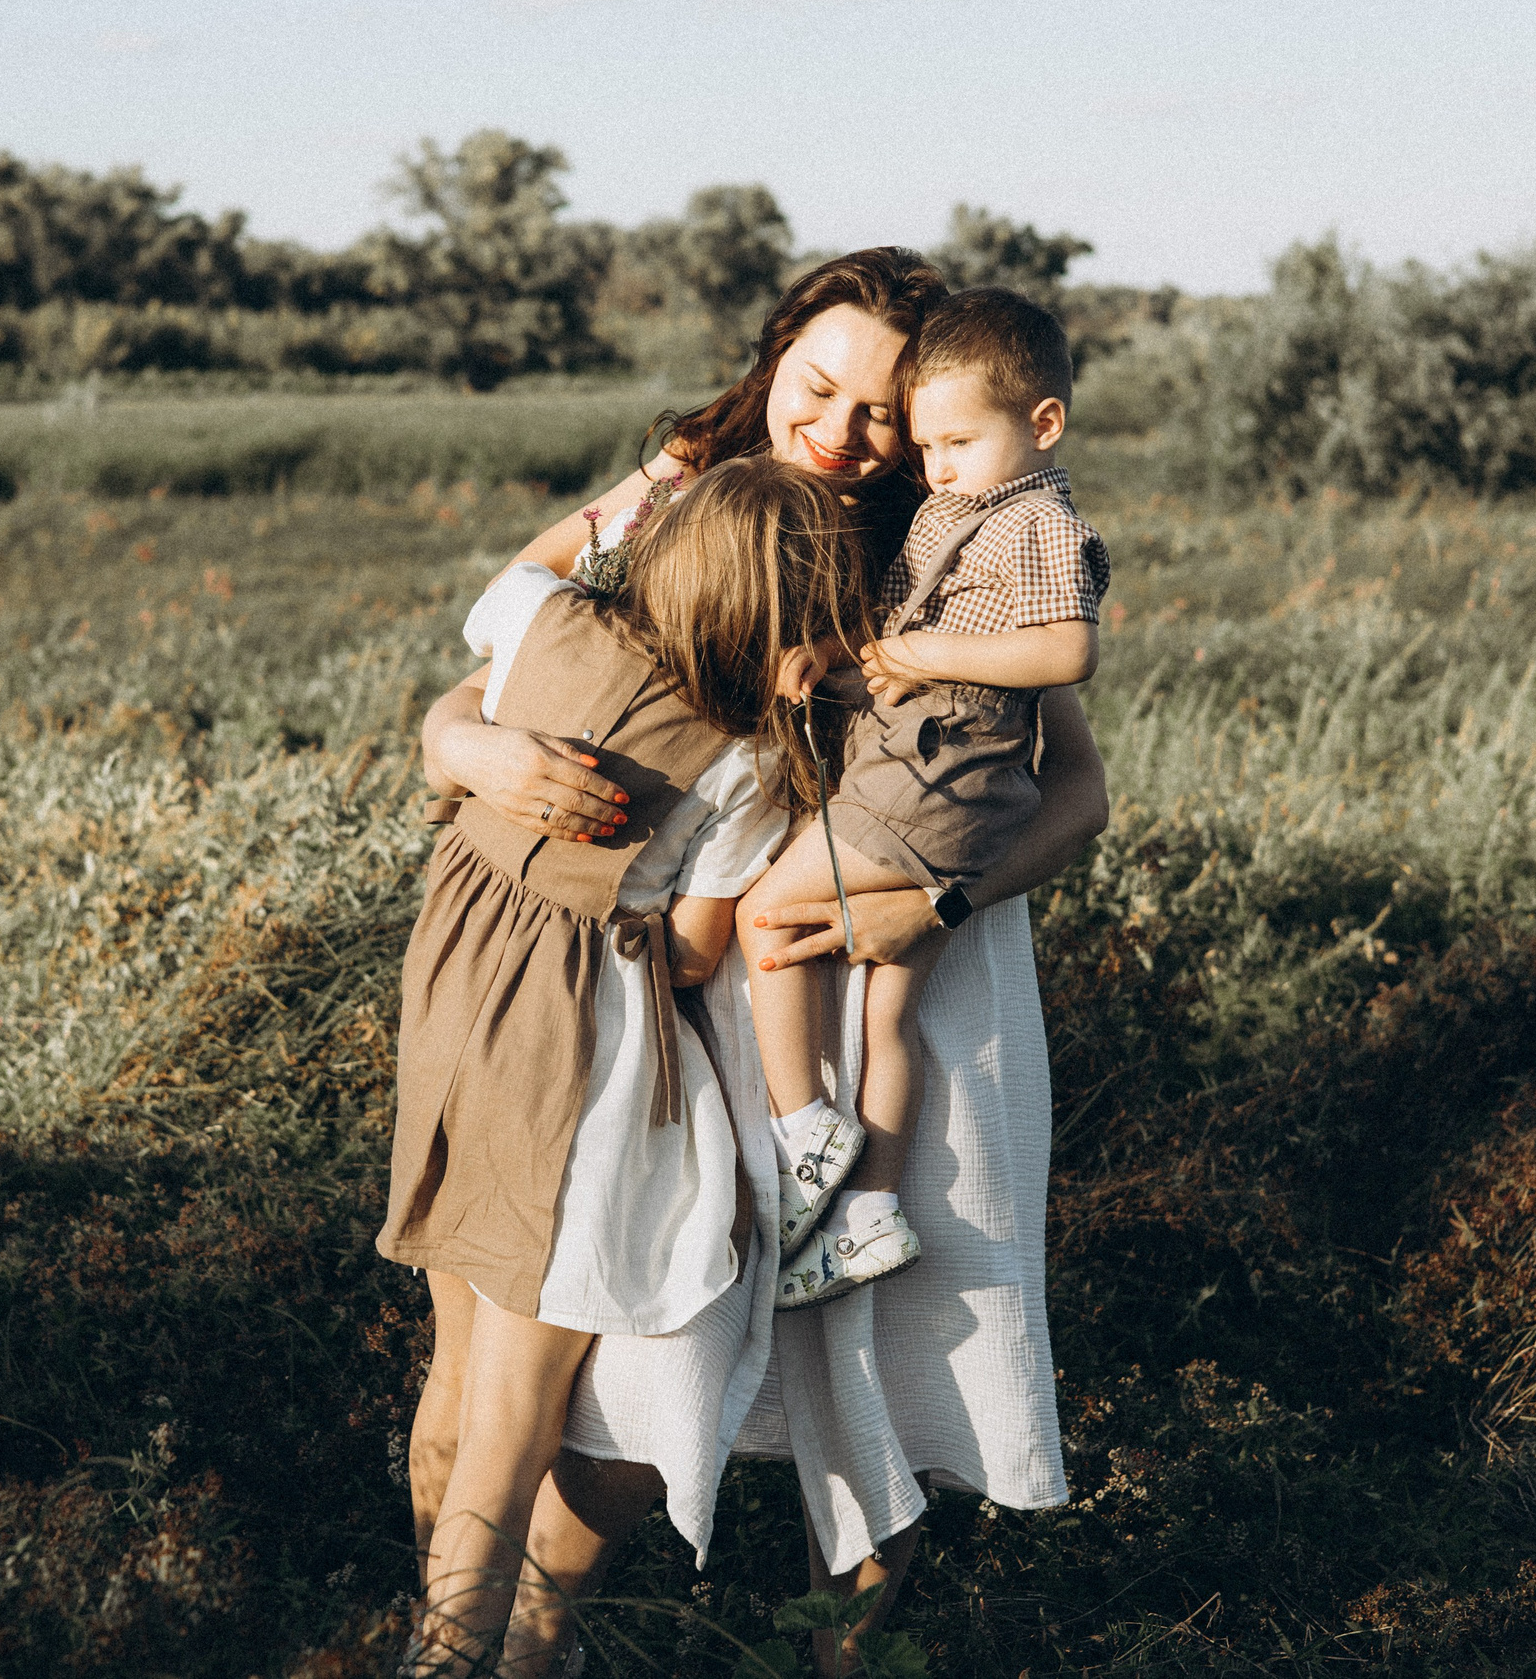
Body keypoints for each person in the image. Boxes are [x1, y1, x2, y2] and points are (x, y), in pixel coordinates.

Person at [416, 249, 1109, 1679]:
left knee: (884, 1364)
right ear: (775, 356)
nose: (845, 431)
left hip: (909, 946)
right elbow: (504, 635)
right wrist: (468, 749)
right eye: (819, 385)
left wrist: (945, 901)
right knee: (629, 1368)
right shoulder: (680, 488)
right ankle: (526, 1638)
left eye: (882, 408)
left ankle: (839, 1656)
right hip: (685, 982)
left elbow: (1079, 792)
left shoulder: (960, 521)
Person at [379, 456, 868, 1674]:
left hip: (451, 1017)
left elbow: (503, 600)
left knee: (456, 1370)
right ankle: (456, 1664)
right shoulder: (748, 760)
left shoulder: (540, 621)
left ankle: (442, 1630)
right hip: (573, 1056)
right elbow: (698, 954)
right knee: (515, 1404)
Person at [745, 286, 1110, 1312]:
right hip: (944, 774)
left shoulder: (1033, 520)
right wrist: (841, 661)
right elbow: (904, 666)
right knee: (890, 1011)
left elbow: (1065, 651)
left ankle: (804, 1130)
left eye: (952, 442)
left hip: (933, 782)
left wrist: (921, 650)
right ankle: (867, 1209)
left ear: (1041, 424)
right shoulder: (962, 510)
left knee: (765, 916)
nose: (933, 465)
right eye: (925, 446)